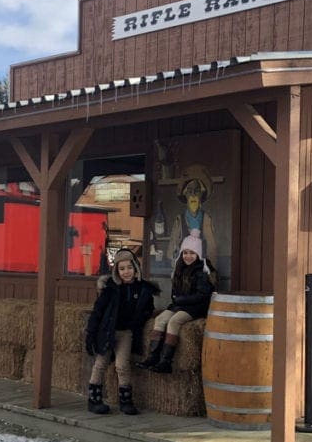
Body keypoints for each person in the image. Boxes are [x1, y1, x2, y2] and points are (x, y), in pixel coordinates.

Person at [84, 249, 159, 415]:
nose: (126, 272)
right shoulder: (110, 289)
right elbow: (97, 312)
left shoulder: (143, 289)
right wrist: (90, 334)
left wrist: (142, 319)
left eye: (129, 268)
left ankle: (126, 401)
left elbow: (148, 309)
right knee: (100, 364)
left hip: (126, 333)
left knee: (122, 365)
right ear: (117, 271)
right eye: (122, 269)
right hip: (108, 331)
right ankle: (94, 400)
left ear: (136, 268)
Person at [139, 234, 216, 374]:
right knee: (160, 319)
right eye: (185, 253)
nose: (188, 256)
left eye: (192, 253)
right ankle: (153, 356)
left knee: (174, 321)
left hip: (196, 307)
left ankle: (166, 361)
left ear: (198, 254)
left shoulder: (202, 272)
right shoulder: (179, 269)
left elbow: (202, 295)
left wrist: (181, 300)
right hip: (179, 305)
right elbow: (175, 292)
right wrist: (177, 299)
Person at [167, 168, 217, 265]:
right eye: (189, 191)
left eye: (197, 191)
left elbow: (212, 249)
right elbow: (171, 250)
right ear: (185, 195)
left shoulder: (207, 219)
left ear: (202, 194)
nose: (193, 195)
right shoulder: (179, 220)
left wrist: (209, 271)